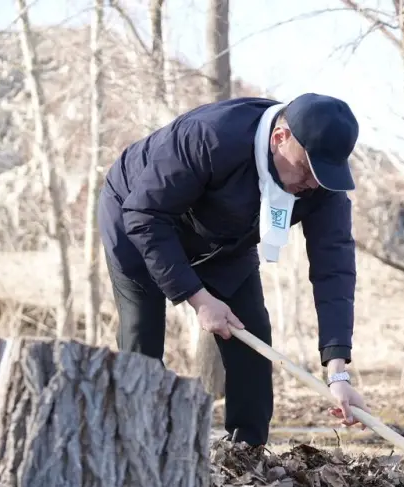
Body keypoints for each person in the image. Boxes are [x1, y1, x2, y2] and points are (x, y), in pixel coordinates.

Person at [97, 93, 370, 447]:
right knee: (142, 334)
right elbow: (145, 214)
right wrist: (197, 298)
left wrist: (338, 371)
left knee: (252, 339)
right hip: (138, 215)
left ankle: (247, 454)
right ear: (280, 138)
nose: (313, 184)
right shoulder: (210, 136)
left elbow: (335, 267)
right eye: (306, 169)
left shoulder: (322, 183)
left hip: (225, 234)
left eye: (323, 174)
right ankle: (134, 449)